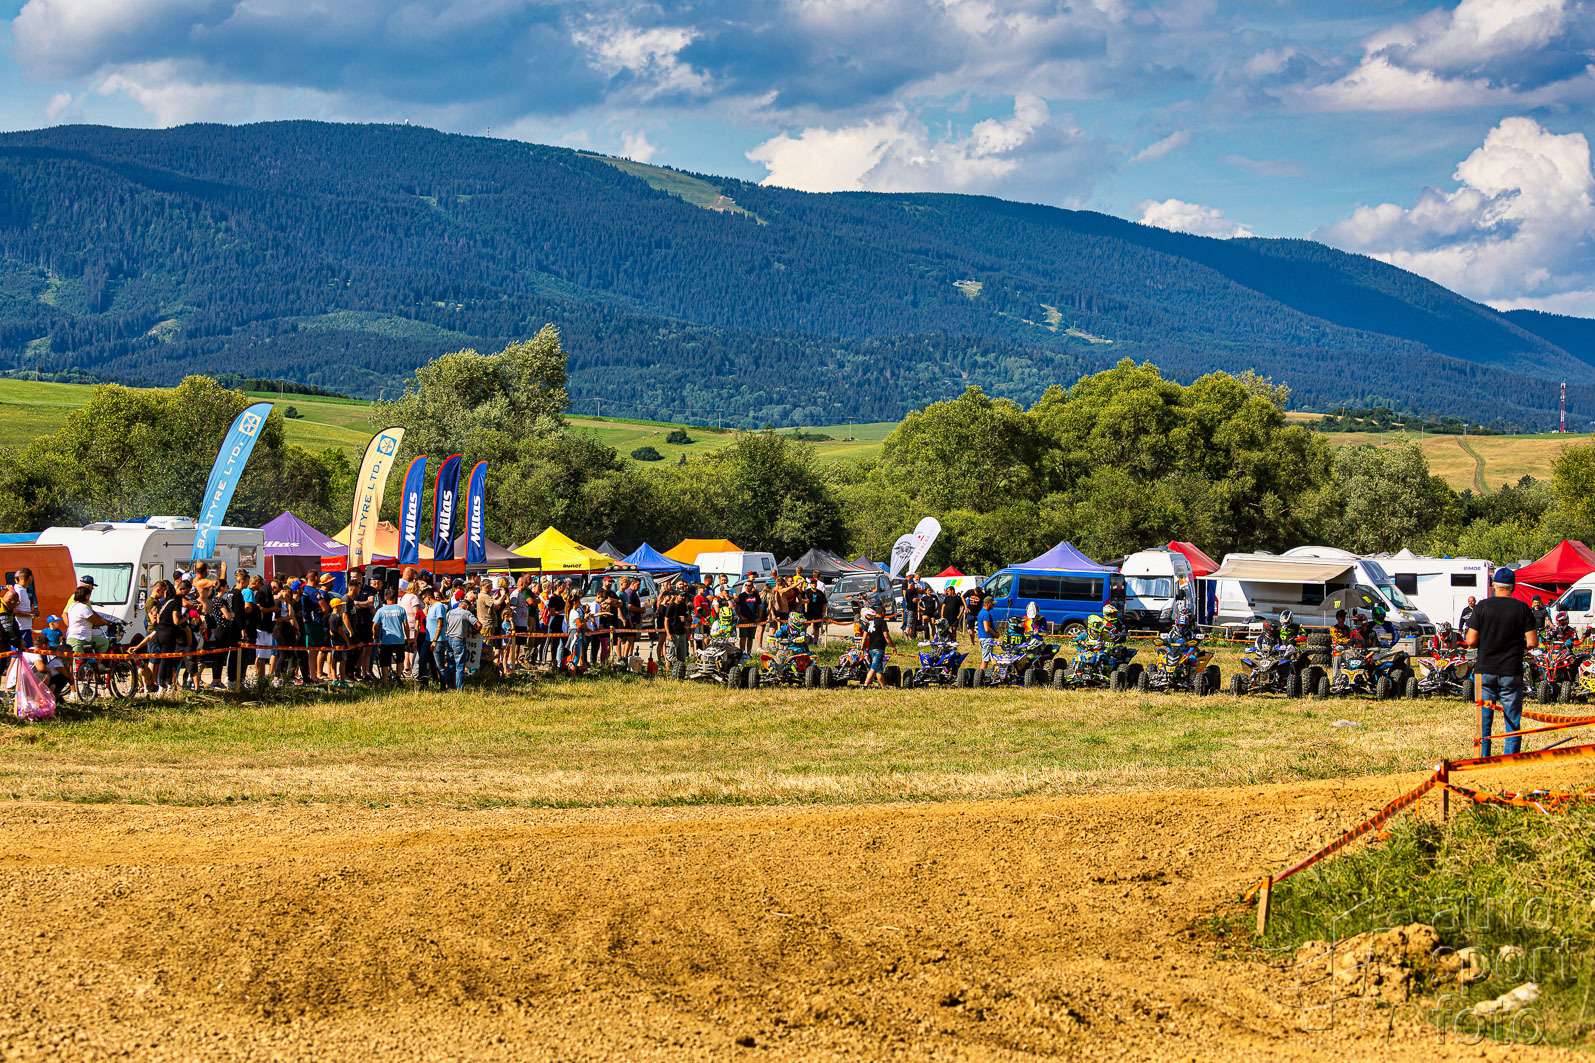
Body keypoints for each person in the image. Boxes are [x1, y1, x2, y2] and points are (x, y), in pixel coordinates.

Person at [1464, 567, 1539, 758]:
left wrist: (1487, 642)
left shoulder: (1482, 607)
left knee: (1484, 724)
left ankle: (1483, 762)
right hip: (1511, 671)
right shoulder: (1522, 608)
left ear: (1493, 585)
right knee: (1512, 724)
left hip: (1485, 671)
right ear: (1513, 587)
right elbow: (1532, 642)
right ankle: (1510, 764)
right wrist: (1516, 645)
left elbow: (1470, 641)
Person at [371, 589, 410, 681]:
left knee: (384, 661)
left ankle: (385, 681)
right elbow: (405, 625)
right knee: (400, 659)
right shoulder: (401, 609)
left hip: (387, 639)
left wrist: (375, 636)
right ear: (395, 598)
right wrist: (407, 638)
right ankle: (398, 678)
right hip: (399, 639)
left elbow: (375, 625)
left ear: (385, 598)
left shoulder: (381, 610)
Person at [444, 593, 479, 690]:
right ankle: (459, 688)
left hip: (449, 639)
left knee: (450, 664)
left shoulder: (450, 612)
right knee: (460, 666)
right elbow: (478, 624)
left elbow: (445, 625)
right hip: (459, 640)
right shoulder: (466, 613)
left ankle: (449, 685)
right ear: (467, 606)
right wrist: (475, 632)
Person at [860, 605, 893, 689]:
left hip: (871, 649)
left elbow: (864, 637)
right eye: (884, 613)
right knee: (874, 668)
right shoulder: (882, 622)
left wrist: (861, 648)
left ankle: (883, 687)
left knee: (879, 669)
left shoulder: (869, 622)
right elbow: (886, 636)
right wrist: (892, 646)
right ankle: (865, 686)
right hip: (879, 648)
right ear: (882, 613)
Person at [734, 578, 762, 656]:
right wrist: (740, 616)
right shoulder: (741, 596)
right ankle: (742, 653)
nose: (747, 587)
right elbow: (736, 608)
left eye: (749, 585)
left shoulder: (756, 595)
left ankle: (748, 653)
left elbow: (759, 608)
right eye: (745, 585)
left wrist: (759, 617)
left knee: (750, 637)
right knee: (743, 637)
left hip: (753, 619)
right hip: (744, 619)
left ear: (752, 586)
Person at [9, 567, 34, 649]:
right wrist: (29, 614)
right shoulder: (18, 591)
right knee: (24, 653)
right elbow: (12, 611)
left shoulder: (23, 590)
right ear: (30, 578)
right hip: (21, 628)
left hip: (25, 627)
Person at [975, 596, 997, 661]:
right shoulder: (986, 614)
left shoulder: (981, 612)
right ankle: (982, 668)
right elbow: (987, 629)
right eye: (992, 604)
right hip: (987, 639)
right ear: (988, 604)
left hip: (983, 638)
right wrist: (995, 634)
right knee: (986, 661)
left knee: (985, 659)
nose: (993, 605)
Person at [962, 584, 984, 649]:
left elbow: (986, 602)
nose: (977, 595)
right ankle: (972, 642)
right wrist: (966, 606)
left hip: (978, 614)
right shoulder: (970, 592)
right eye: (976, 593)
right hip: (970, 613)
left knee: (981, 627)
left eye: (978, 594)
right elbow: (963, 597)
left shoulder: (982, 595)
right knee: (971, 628)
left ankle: (981, 641)